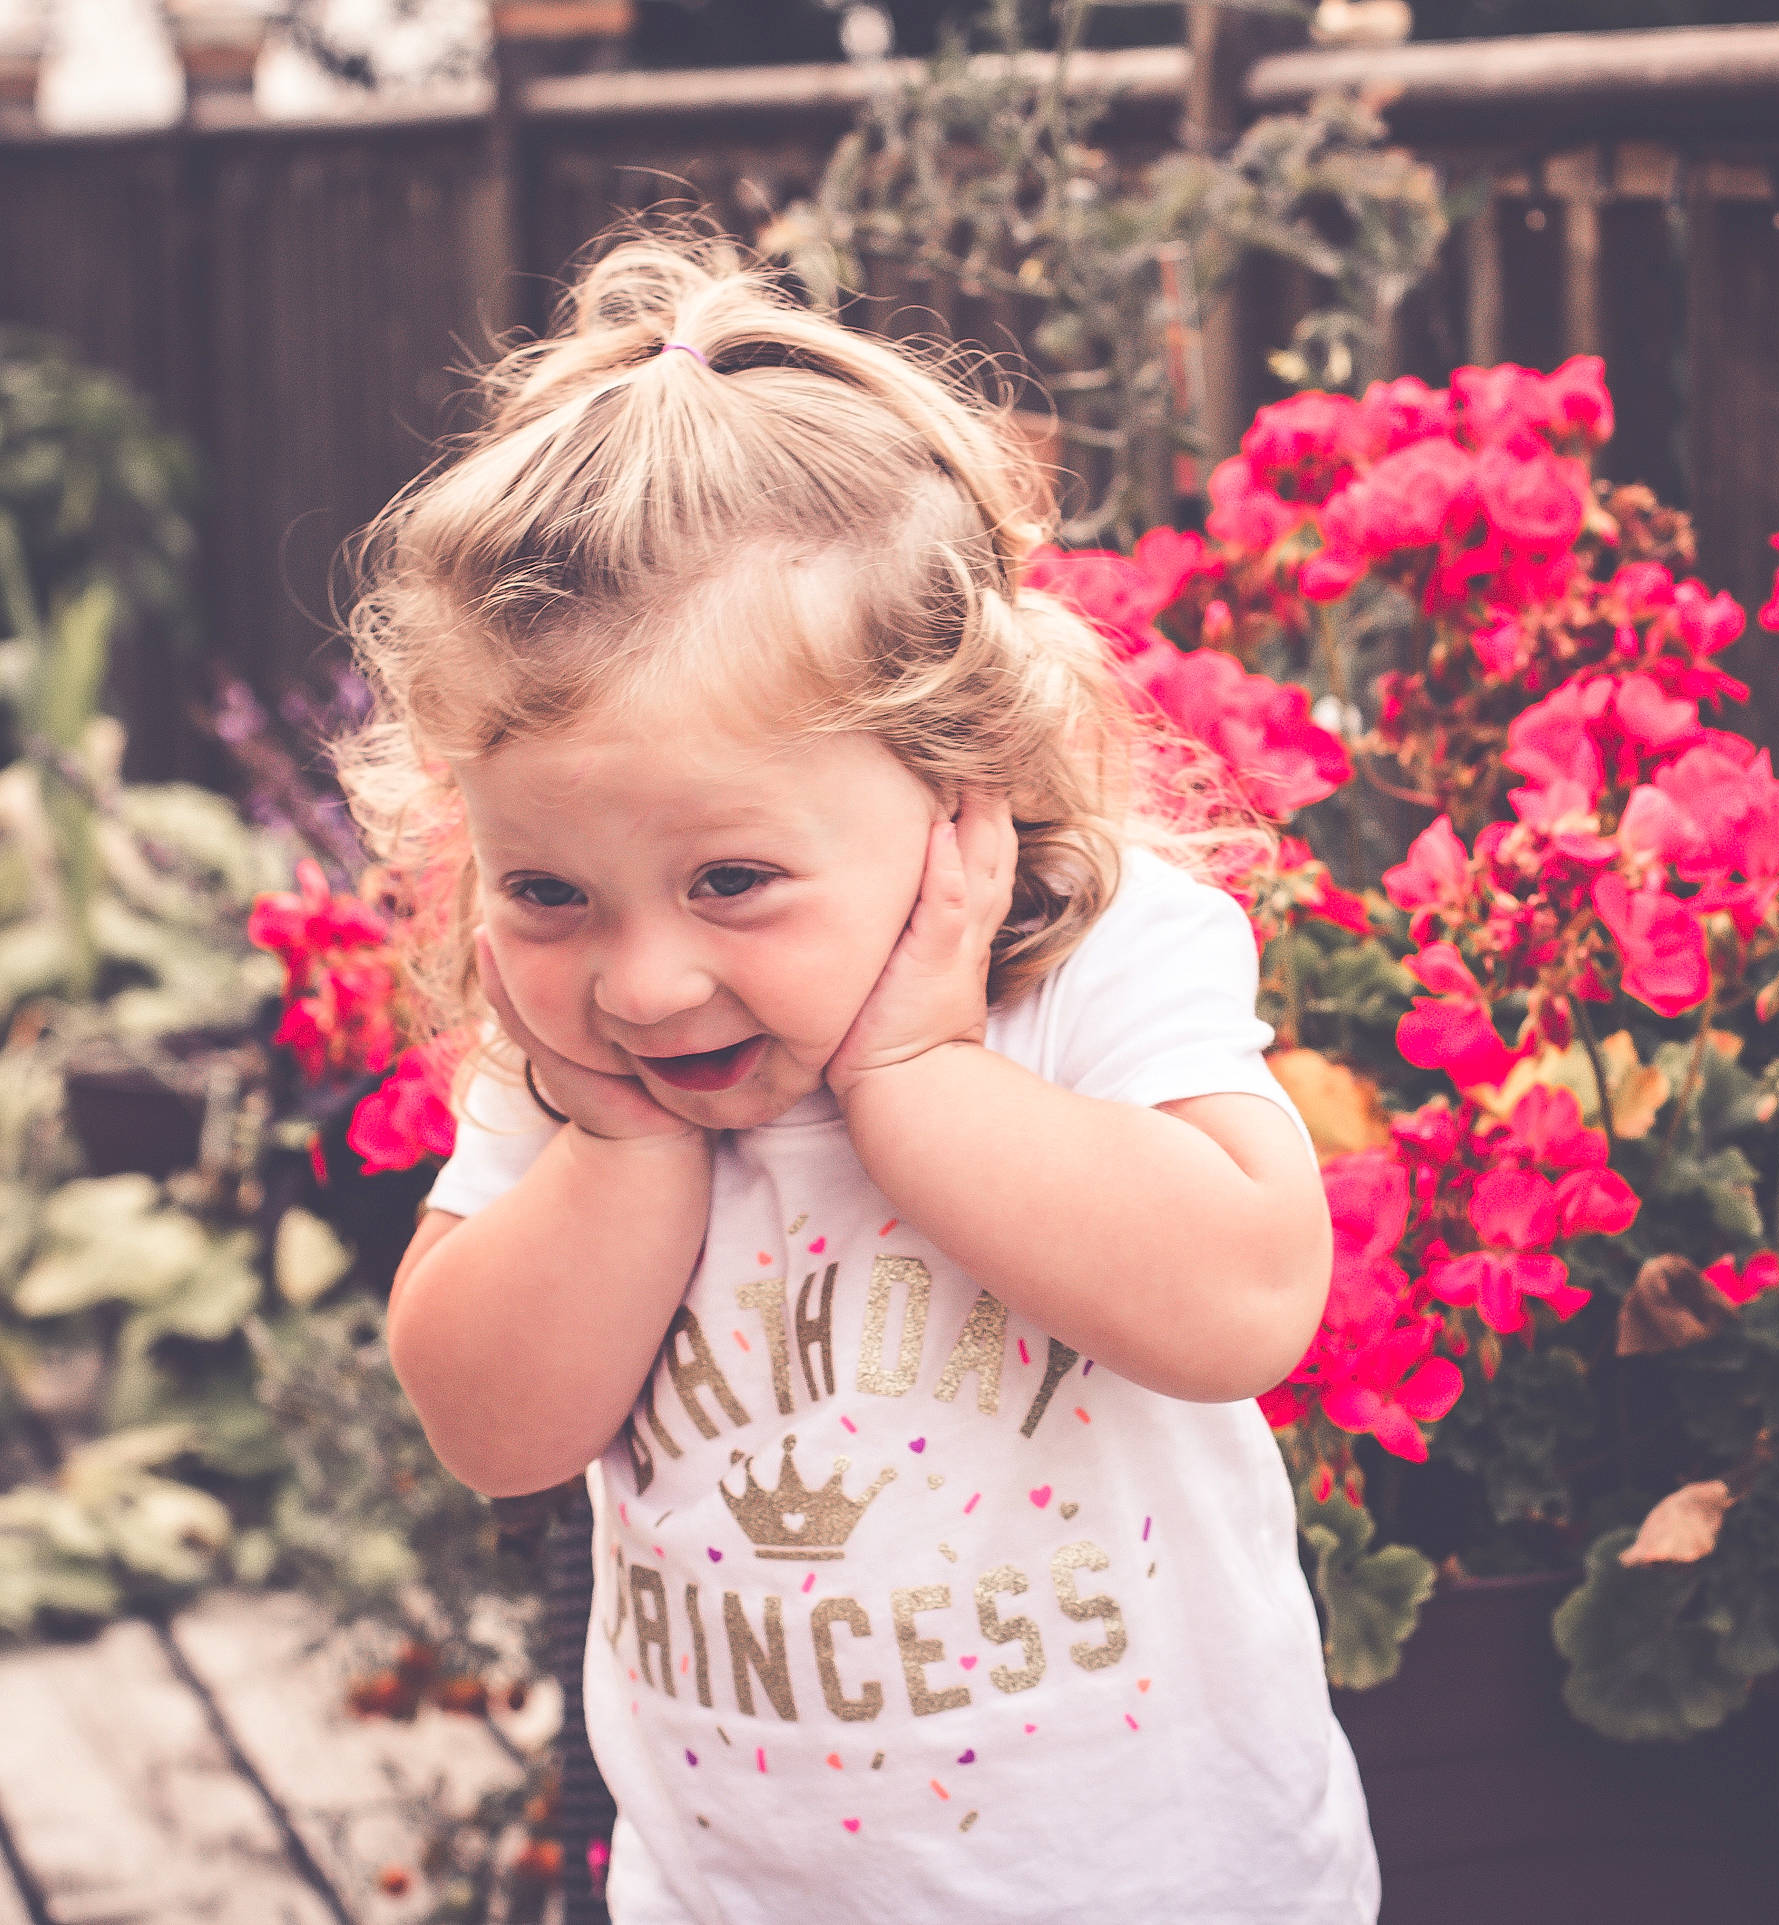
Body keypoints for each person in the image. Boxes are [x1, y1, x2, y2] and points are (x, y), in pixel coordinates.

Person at [344, 226, 1378, 1925]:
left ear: (959, 789)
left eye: (731, 881)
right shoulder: (584, 1077)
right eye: (547, 893)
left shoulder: (1087, 966)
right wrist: (615, 1156)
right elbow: (490, 1427)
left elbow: (1247, 1298)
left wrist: (916, 1071)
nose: (644, 976)